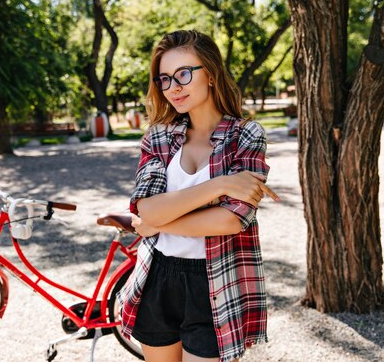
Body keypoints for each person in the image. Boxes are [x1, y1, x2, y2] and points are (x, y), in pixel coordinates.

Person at [118, 30, 279, 362]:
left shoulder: (245, 135)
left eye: (184, 74)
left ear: (211, 74)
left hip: (215, 280)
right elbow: (145, 209)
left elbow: (230, 220)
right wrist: (219, 186)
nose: (174, 87)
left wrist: (158, 222)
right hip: (158, 276)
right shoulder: (159, 137)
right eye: (164, 79)